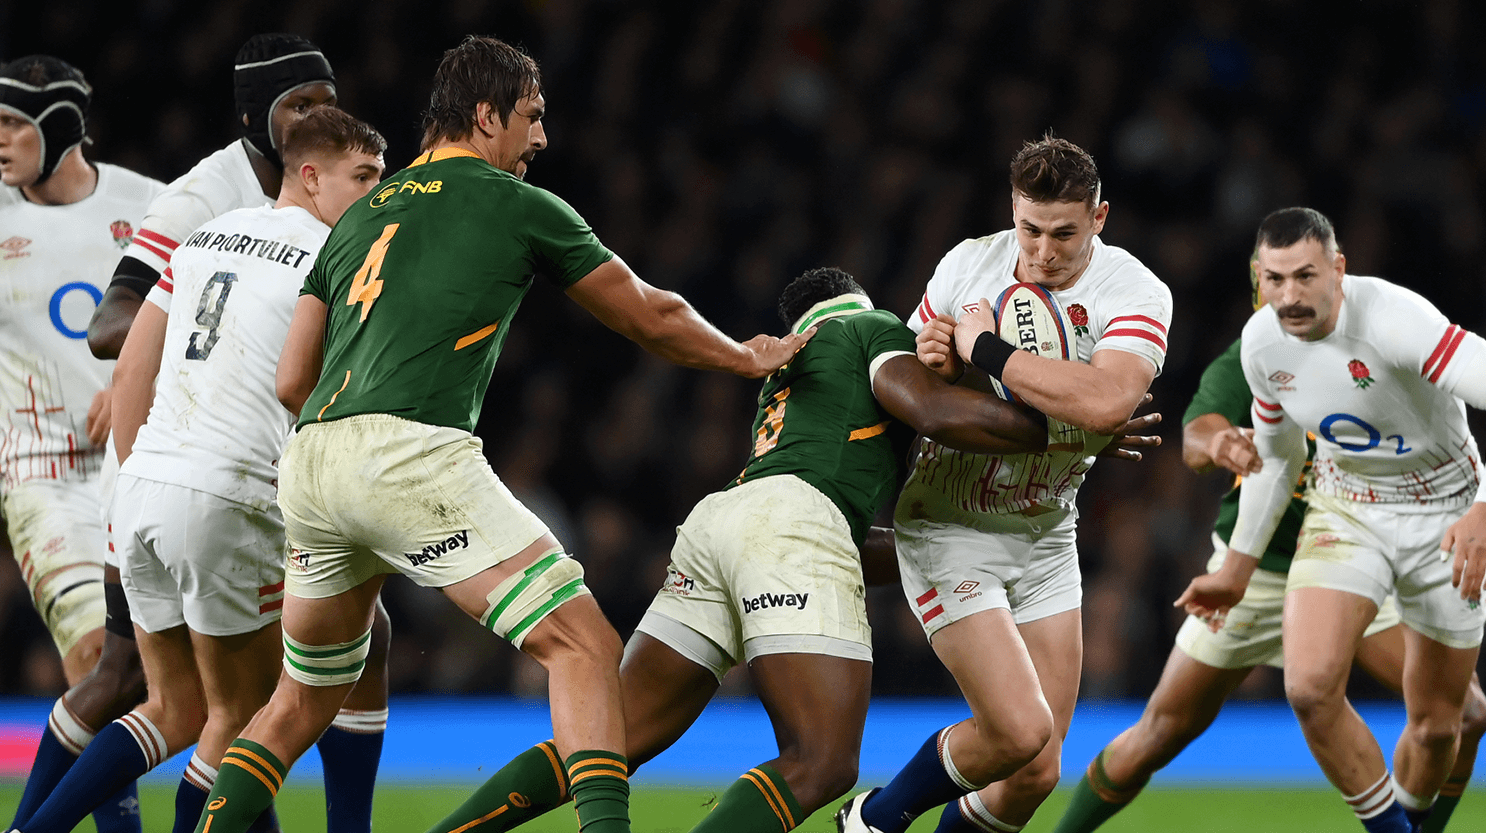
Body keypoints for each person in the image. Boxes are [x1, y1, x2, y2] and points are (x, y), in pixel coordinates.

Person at [190, 35, 804, 833]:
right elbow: (648, 313)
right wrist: (743, 356)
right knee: (582, 643)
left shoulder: (356, 213)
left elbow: (290, 379)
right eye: (532, 116)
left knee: (300, 697)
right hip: (407, 451)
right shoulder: (511, 202)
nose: (542, 138)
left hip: (311, 459)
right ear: (485, 116)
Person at [424, 267, 1163, 833]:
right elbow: (933, 410)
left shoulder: (787, 373)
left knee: (606, 738)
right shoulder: (867, 329)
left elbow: (839, 536)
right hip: (788, 530)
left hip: (722, 522)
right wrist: (1065, 428)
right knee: (821, 763)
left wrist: (941, 556)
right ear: (856, 297)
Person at [17, 34, 387, 833]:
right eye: (365, 179)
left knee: (174, 705)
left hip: (147, 479)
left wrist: (136, 485)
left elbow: (135, 369)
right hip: (227, 490)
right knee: (240, 714)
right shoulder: (285, 237)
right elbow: (300, 385)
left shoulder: (207, 239)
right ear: (306, 165)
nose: (374, 199)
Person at [1051, 267, 1486, 833]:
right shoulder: (1251, 357)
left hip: (1355, 564)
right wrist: (1219, 442)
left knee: (1465, 717)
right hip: (1257, 576)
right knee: (1158, 734)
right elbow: (1197, 433)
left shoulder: (1377, 350)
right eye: (1272, 291)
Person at [839, 135, 1172, 833]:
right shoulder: (968, 264)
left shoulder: (1135, 289)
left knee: (1035, 772)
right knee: (1017, 730)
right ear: (1011, 211)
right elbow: (904, 393)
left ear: (1099, 219)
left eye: (1063, 233)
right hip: (948, 520)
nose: (1043, 250)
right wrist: (937, 360)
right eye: (1029, 229)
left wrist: (983, 349)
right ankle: (870, 819)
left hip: (1047, 528)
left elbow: (1108, 401)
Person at [1175, 207, 1486, 833]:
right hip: (1347, 506)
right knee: (1309, 687)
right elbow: (1280, 455)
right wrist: (1236, 568)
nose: (1289, 296)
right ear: (1259, 279)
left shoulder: (1396, 320)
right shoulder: (1262, 344)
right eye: (1274, 279)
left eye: (1305, 276)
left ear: (1338, 270)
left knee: (1435, 729)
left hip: (1444, 512)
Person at [0, 55, 164, 833]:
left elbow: (195, 330)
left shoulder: (151, 208)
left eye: (13, 121)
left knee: (183, 680)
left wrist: (129, 387)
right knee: (97, 655)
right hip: (40, 475)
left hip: (144, 463)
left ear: (61, 126)